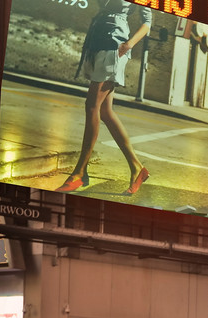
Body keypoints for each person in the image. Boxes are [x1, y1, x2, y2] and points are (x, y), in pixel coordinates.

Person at [55, 0, 152, 196]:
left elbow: (147, 22)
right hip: (96, 42)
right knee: (105, 112)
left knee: (91, 106)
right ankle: (137, 168)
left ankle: (80, 172)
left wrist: (128, 45)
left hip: (115, 46)